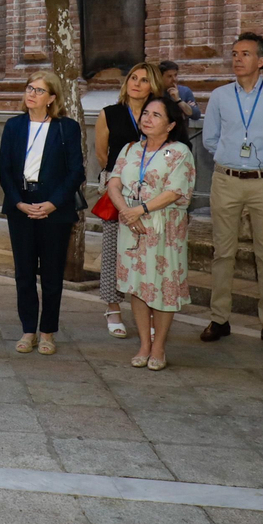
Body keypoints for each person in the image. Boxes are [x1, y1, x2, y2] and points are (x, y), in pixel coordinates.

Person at [200, 33, 263, 351]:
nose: (237, 59)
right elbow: (210, 139)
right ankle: (219, 318)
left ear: (261, 61)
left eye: (245, 53)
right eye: (233, 53)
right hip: (226, 180)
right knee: (222, 253)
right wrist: (233, 157)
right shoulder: (219, 96)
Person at [0, 71, 85, 355]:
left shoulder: (66, 128)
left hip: (54, 209)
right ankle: (28, 330)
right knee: (23, 272)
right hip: (21, 205)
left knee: (51, 274)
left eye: (39, 90)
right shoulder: (13, 126)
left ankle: (47, 332)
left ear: (51, 98)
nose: (31, 94)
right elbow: (5, 170)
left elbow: (76, 172)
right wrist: (18, 202)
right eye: (29, 88)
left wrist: (53, 204)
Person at [107, 95, 195, 370]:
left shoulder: (178, 152)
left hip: (164, 228)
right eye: (146, 113)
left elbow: (174, 191)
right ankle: (144, 344)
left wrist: (140, 210)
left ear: (170, 125)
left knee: (163, 287)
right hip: (131, 227)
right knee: (138, 286)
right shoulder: (131, 149)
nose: (148, 118)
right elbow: (114, 183)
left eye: (156, 115)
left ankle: (159, 348)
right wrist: (126, 211)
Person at [93, 62, 169, 340]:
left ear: (154, 86)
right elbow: (103, 154)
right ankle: (113, 307)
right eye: (133, 78)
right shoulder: (110, 114)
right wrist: (122, 181)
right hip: (118, 191)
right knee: (114, 249)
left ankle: (146, 308)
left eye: (144, 80)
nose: (136, 84)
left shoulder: (161, 113)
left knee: (147, 254)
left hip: (154, 194)